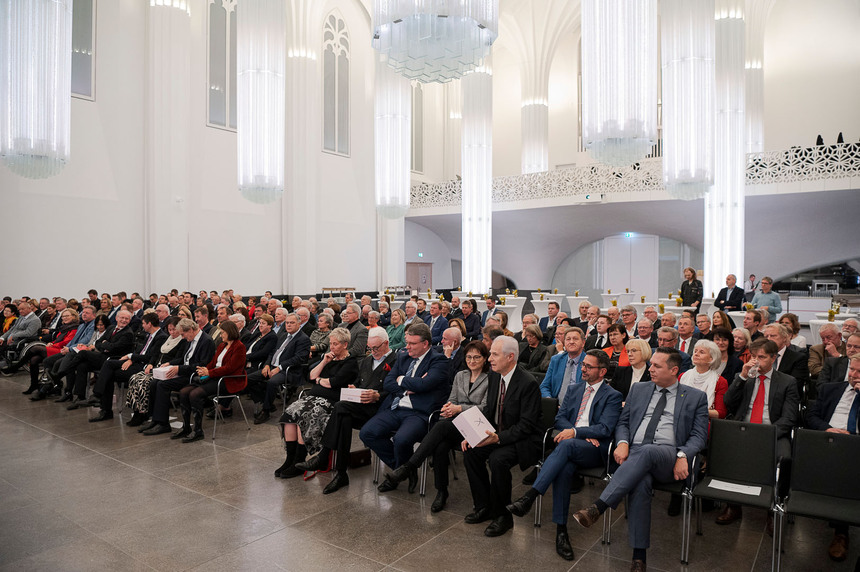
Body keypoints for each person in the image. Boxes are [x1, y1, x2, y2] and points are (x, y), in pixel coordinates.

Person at [572, 348, 709, 571]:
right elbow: (623, 423)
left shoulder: (695, 397)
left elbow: (699, 436)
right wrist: (623, 442)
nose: (650, 369)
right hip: (634, 454)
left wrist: (683, 455)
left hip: (668, 456)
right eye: (651, 364)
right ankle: (639, 558)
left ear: (674, 370)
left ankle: (599, 506)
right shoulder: (639, 389)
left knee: (646, 452)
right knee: (641, 483)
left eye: (656, 366)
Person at [507, 349, 622, 561]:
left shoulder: (613, 396)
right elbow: (559, 419)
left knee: (565, 448)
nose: (583, 369)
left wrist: (577, 432)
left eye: (588, 366)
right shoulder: (575, 389)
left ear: (603, 371)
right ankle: (561, 532)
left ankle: (530, 496)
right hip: (572, 444)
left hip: (595, 450)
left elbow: (605, 428)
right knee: (564, 468)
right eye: (583, 365)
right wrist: (573, 432)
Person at [382, 341, 491, 512]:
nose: (472, 360)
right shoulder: (460, 375)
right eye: (469, 357)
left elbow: (486, 407)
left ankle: (408, 467)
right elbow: (452, 399)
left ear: (485, 359)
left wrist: (459, 408)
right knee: (440, 447)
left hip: (477, 425)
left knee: (441, 428)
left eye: (477, 357)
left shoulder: (490, 379)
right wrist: (449, 407)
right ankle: (442, 492)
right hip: (456, 424)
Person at [295, 327, 398, 494]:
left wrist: (378, 395)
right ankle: (341, 473)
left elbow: (397, 388)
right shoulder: (366, 360)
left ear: (386, 344)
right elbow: (358, 382)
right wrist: (354, 387)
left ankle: (323, 457)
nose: (372, 351)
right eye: (369, 348)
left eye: (376, 348)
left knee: (340, 407)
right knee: (343, 417)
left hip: (381, 409)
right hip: (360, 407)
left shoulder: (395, 361)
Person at [462, 336, 541, 538]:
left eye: (495, 355)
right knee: (471, 453)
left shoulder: (528, 383)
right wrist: (473, 433)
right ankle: (483, 506)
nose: (489, 359)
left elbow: (527, 425)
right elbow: (490, 409)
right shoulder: (496, 376)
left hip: (521, 439)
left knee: (498, 460)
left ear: (511, 357)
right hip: (496, 433)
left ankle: (503, 516)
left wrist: (497, 438)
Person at [718, 339, 799, 530]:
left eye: (761, 357)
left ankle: (774, 508)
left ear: (773, 358)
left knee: (784, 458)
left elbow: (789, 418)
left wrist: (765, 435)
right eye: (753, 356)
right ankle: (733, 505)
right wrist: (743, 377)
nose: (756, 361)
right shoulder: (745, 376)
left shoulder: (787, 382)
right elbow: (729, 402)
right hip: (744, 428)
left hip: (773, 431)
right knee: (725, 452)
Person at [361, 323, 451, 491]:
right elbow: (388, 383)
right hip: (396, 407)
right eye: (406, 341)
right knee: (367, 433)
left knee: (401, 440)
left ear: (425, 344)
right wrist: (410, 386)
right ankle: (403, 470)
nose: (406, 346)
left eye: (412, 343)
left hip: (420, 413)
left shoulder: (438, 361)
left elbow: (425, 384)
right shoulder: (403, 356)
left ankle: (399, 473)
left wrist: (401, 379)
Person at [275, 328, 360, 477]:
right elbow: (311, 375)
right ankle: (290, 460)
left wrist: (320, 380)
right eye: (331, 343)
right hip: (313, 397)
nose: (331, 347)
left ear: (345, 344)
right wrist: (324, 362)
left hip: (331, 401)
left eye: (335, 344)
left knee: (304, 416)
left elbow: (333, 383)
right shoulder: (330, 359)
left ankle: (299, 461)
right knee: (289, 414)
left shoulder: (350, 363)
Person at [805, 354, 860, 562]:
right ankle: (837, 524)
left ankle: (841, 533)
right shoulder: (831, 389)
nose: (854, 375)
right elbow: (810, 417)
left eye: (859, 372)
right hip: (829, 441)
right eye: (852, 370)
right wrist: (829, 429)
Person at [140, 319, 216, 436]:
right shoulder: (190, 339)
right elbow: (183, 358)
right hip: (184, 371)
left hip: (193, 376)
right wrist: (170, 363)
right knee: (155, 382)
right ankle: (156, 419)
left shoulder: (206, 341)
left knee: (162, 385)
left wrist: (179, 369)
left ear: (190, 330)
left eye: (183, 334)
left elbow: (202, 365)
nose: (183, 337)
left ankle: (163, 423)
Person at [174, 320, 246, 442]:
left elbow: (230, 368)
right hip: (215, 376)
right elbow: (213, 363)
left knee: (194, 394)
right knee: (184, 392)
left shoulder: (239, 347)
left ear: (229, 332)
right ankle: (186, 427)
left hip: (228, 380)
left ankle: (198, 431)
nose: (221, 335)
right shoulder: (222, 345)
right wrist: (205, 369)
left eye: (222, 332)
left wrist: (209, 372)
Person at [87, 312, 167, 422]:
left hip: (143, 366)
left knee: (108, 368)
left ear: (149, 324)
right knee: (108, 370)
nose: (142, 326)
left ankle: (99, 396)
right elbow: (139, 351)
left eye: (143, 323)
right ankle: (105, 409)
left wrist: (131, 357)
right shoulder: (149, 335)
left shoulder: (161, 337)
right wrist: (131, 359)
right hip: (136, 361)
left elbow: (150, 357)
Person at [248, 313, 311, 424]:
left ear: (299, 324)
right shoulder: (283, 335)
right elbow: (272, 352)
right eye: (287, 323)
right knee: (248, 379)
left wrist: (279, 367)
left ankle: (266, 411)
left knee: (271, 382)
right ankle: (266, 401)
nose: (289, 325)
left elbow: (299, 359)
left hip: (289, 370)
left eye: (292, 323)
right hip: (272, 366)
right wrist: (267, 364)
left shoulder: (303, 339)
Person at [14, 308, 79, 394]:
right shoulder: (64, 327)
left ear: (74, 317)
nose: (64, 318)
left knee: (36, 348)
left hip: (63, 350)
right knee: (34, 359)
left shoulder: (75, 328)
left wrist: (53, 344)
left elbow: (66, 342)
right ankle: (34, 384)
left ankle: (17, 366)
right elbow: (57, 339)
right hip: (57, 348)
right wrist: (51, 343)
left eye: (67, 316)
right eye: (63, 316)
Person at [680, 340, 728, 421]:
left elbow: (720, 413)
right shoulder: (683, 376)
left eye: (701, 352)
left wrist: (695, 410)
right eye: (695, 351)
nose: (696, 354)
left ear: (711, 358)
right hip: (680, 420)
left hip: (703, 423)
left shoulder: (720, 382)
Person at [540, 328, 585, 403]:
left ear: (583, 343)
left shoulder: (588, 362)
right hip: (556, 407)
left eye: (575, 339)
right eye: (568, 339)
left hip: (578, 408)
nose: (571, 342)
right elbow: (544, 386)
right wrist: (550, 402)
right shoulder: (556, 360)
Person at [764, 323, 810, 394]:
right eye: (766, 336)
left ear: (784, 338)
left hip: (784, 397)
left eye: (773, 336)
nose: (769, 339)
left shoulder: (798, 358)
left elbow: (795, 386)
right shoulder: (760, 357)